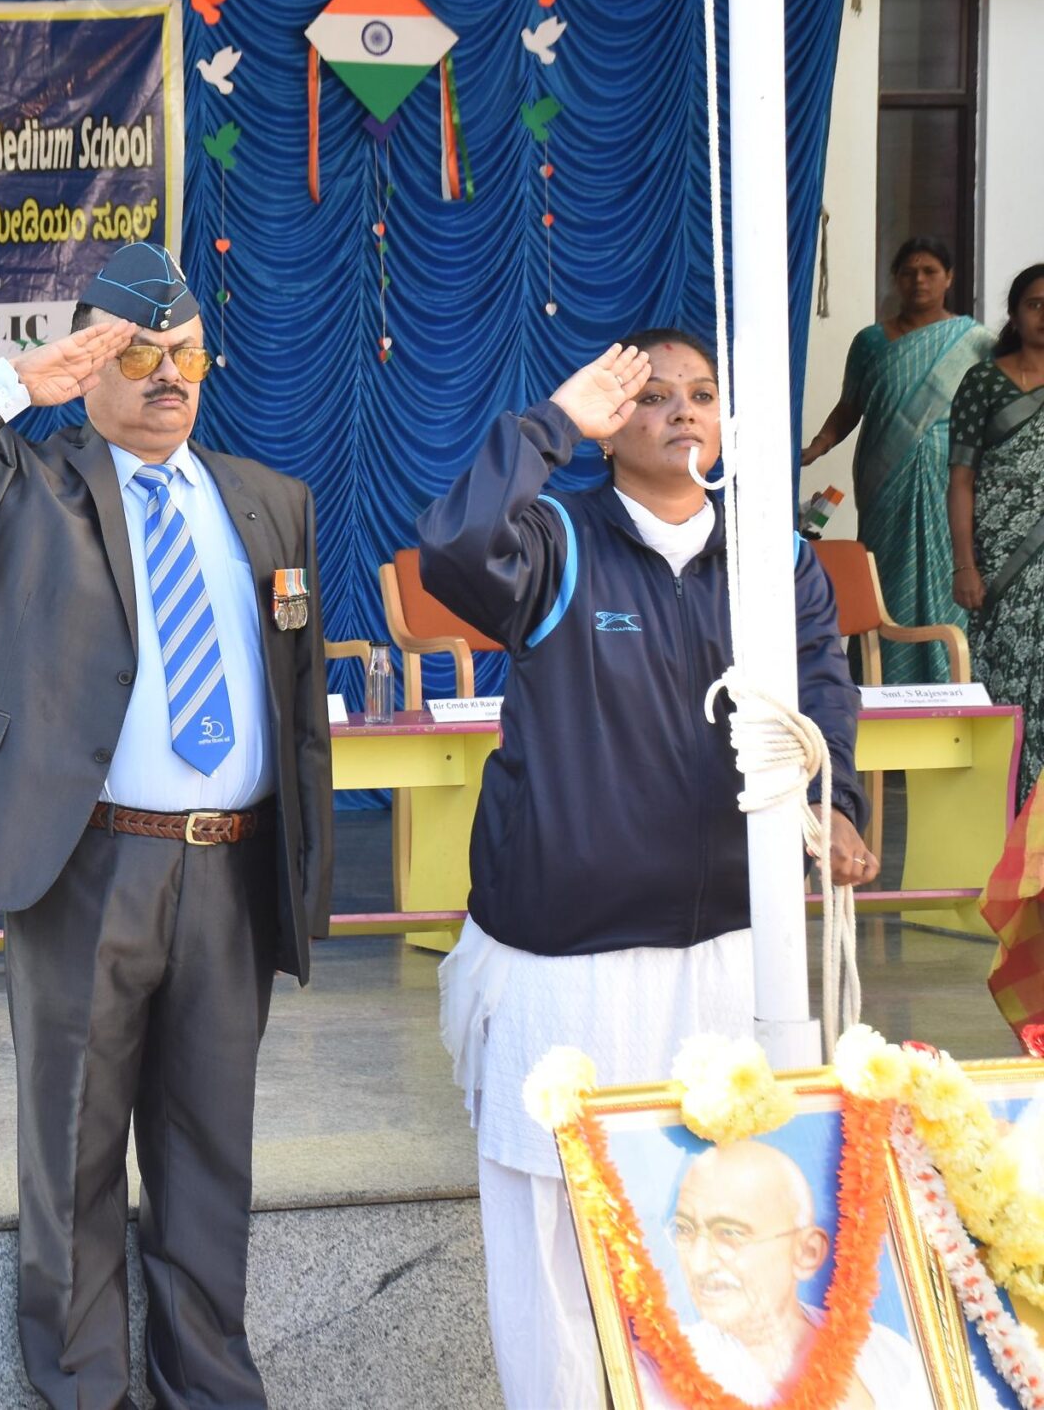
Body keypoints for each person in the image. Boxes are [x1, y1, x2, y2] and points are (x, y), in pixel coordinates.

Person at [0, 241, 333, 1410]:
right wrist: (15, 387)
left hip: (230, 863)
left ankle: (209, 1387)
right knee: (72, 1149)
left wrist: (302, 872)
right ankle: (84, 1390)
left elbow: (298, 702)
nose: (167, 379)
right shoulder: (30, 484)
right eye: (138, 356)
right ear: (86, 365)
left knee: (210, 1150)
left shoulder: (269, 501)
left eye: (186, 357)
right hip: (87, 861)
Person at [418, 332, 872, 1408]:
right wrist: (549, 426)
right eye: (652, 396)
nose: (680, 412)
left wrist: (835, 805)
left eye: (700, 394)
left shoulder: (771, 555)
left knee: (710, 1221)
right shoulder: (555, 538)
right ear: (610, 425)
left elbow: (820, 687)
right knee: (556, 1239)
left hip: (728, 951)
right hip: (566, 960)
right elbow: (451, 548)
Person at [802, 238, 987, 683]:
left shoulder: (975, 341)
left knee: (947, 571)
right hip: (885, 479)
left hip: (949, 481)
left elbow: (992, 411)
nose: (919, 280)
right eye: (908, 272)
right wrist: (818, 446)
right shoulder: (870, 342)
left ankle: (950, 682)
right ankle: (880, 682)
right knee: (885, 575)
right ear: (895, 280)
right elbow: (850, 406)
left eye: (930, 271)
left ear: (949, 278)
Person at [642, 1140, 936, 1410]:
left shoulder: (888, 1353)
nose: (698, 1263)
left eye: (729, 1233)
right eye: (684, 1230)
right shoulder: (649, 1375)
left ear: (807, 1253)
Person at [950, 263, 1044, 804]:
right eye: (1035, 304)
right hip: (1000, 561)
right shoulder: (983, 382)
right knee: (1003, 685)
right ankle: (1003, 817)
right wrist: (965, 564)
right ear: (1014, 313)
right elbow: (961, 479)